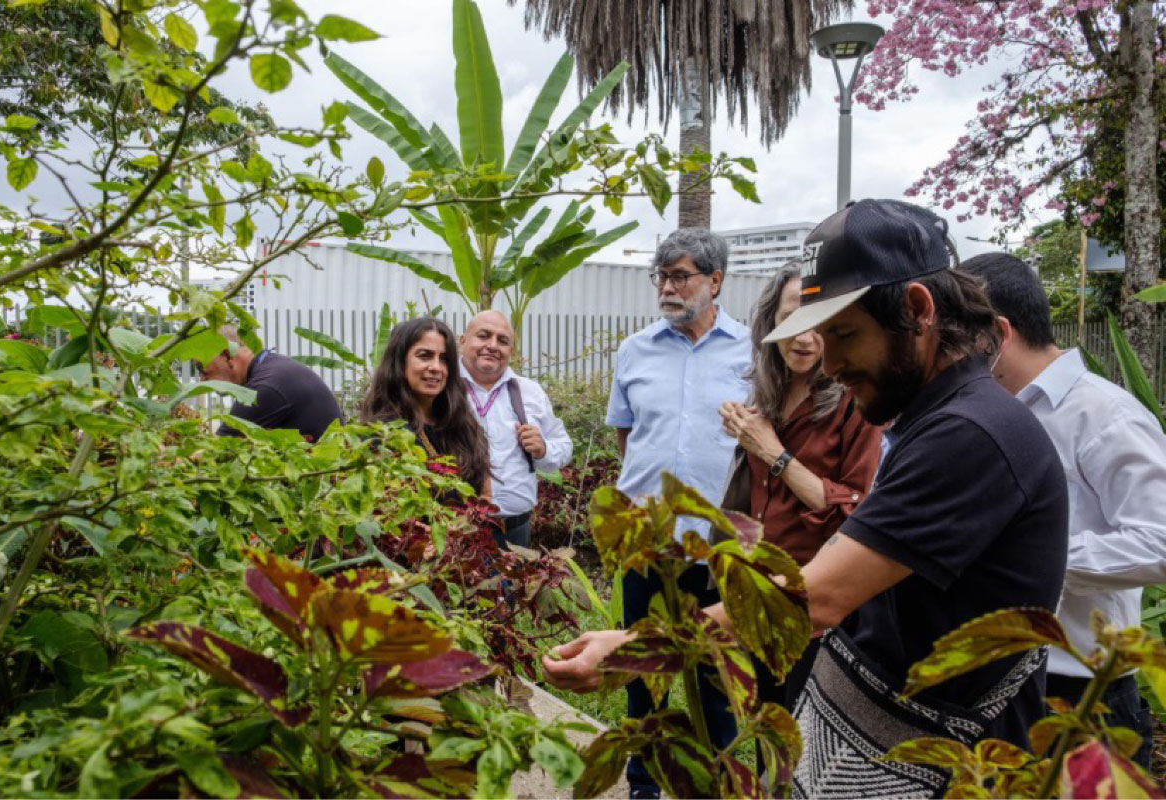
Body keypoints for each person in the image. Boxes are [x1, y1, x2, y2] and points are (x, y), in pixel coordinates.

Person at [544, 199, 1069, 799]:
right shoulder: (933, 418)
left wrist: (633, 649)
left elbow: (816, 598)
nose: (834, 362)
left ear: (918, 311)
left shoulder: (969, 435)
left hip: (932, 768)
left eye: (844, 335)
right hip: (871, 747)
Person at [961, 251, 1166, 769]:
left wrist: (1032, 557)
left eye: (959, 338)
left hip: (1085, 698)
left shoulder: (1105, 414)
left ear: (997, 333)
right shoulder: (990, 412)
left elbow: (1160, 541)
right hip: (1001, 686)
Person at [605, 227, 751, 798]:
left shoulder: (751, 350)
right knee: (644, 671)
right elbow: (629, 438)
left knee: (715, 672)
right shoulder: (634, 350)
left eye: (680, 276)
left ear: (716, 281)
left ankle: (719, 780)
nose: (667, 287)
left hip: (716, 543)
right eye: (660, 276)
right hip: (647, 542)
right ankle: (644, 783)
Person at [718, 262, 882, 711]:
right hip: (757, 593)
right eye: (792, 320)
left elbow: (855, 508)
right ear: (771, 323)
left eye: (819, 324)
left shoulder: (856, 401)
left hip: (816, 606)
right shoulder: (767, 394)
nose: (804, 337)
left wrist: (772, 452)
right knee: (763, 726)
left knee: (801, 737)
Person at [458, 310, 572, 548]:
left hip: (515, 532)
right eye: (483, 335)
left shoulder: (530, 392)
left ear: (511, 350)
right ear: (463, 341)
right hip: (457, 529)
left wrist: (543, 449)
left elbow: (563, 447)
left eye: (502, 340)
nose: (492, 345)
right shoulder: (441, 388)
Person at [361, 317, 491, 498]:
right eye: (424, 356)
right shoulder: (383, 433)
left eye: (444, 359)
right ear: (399, 362)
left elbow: (484, 492)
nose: (436, 367)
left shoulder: (461, 424)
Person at [196, 324, 343, 442]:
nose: (202, 379)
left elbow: (217, 451)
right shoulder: (275, 369)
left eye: (201, 367)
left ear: (227, 355)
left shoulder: (264, 387)